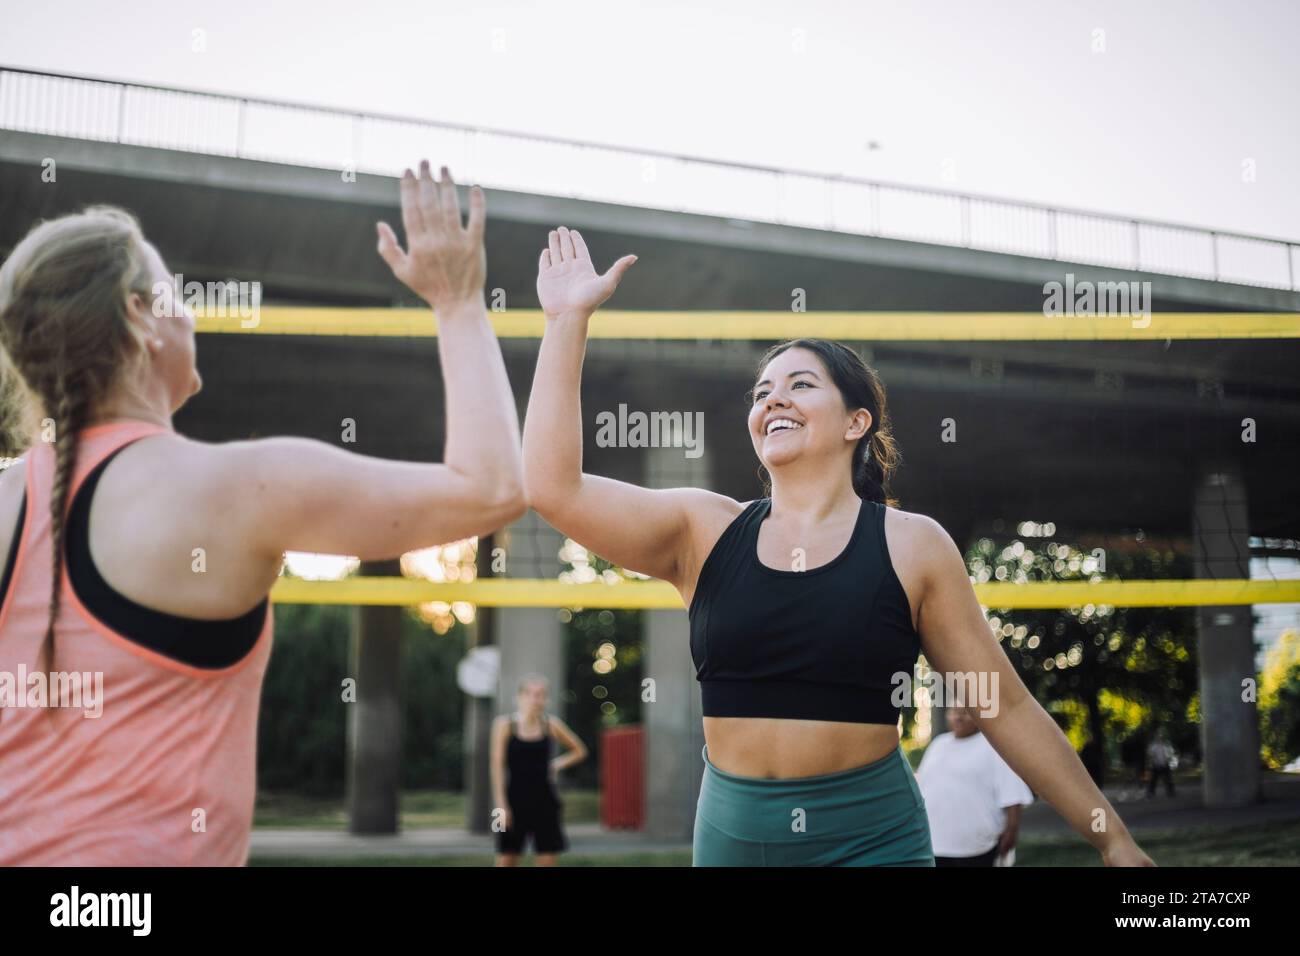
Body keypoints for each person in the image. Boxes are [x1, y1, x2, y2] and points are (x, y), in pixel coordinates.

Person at [521, 225, 1155, 867]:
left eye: (800, 384)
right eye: (762, 391)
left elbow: (1005, 707)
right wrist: (566, 320)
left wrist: (1113, 839)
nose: (773, 399)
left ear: (857, 422)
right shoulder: (702, 529)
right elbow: (552, 488)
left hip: (872, 839)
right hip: (734, 838)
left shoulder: (914, 547)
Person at [0, 162, 526, 865]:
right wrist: (458, 300)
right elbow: (492, 487)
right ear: (138, 317)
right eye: (175, 294)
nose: (189, 310)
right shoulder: (238, 484)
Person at [916, 705, 1034, 866]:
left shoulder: (995, 746)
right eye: (954, 712)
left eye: (965, 713)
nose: (959, 717)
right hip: (934, 844)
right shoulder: (938, 744)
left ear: (980, 717)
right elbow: (922, 787)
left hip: (978, 847)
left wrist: (1011, 831)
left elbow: (1012, 795)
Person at [490, 673, 588, 866]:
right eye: (531, 694)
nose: (536, 699)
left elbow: (580, 750)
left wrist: (557, 764)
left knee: (547, 858)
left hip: (545, 801)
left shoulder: (550, 725)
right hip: (513, 801)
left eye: (541, 694)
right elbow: (496, 767)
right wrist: (501, 807)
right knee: (506, 859)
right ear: (520, 697)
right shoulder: (505, 726)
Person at [1145, 728, 1177, 798]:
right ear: (1156, 738)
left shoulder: (1166, 745)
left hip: (1165, 764)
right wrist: (1152, 762)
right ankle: (1151, 793)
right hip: (1156, 765)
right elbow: (1150, 755)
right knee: (1153, 780)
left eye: (1161, 737)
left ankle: (1171, 792)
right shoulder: (1154, 746)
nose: (1160, 738)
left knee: (1168, 779)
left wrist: (1169, 760)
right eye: (1158, 737)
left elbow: (1169, 754)